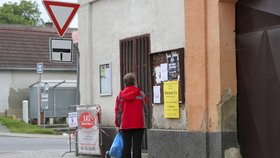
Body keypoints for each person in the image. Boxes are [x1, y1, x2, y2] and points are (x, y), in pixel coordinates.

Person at [114, 73, 148, 158]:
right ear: (134, 82)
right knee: (137, 148)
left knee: (126, 148)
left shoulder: (120, 96)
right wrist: (145, 119)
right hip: (139, 124)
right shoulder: (141, 94)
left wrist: (117, 124)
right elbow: (146, 109)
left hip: (125, 125)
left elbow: (118, 111)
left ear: (125, 83)